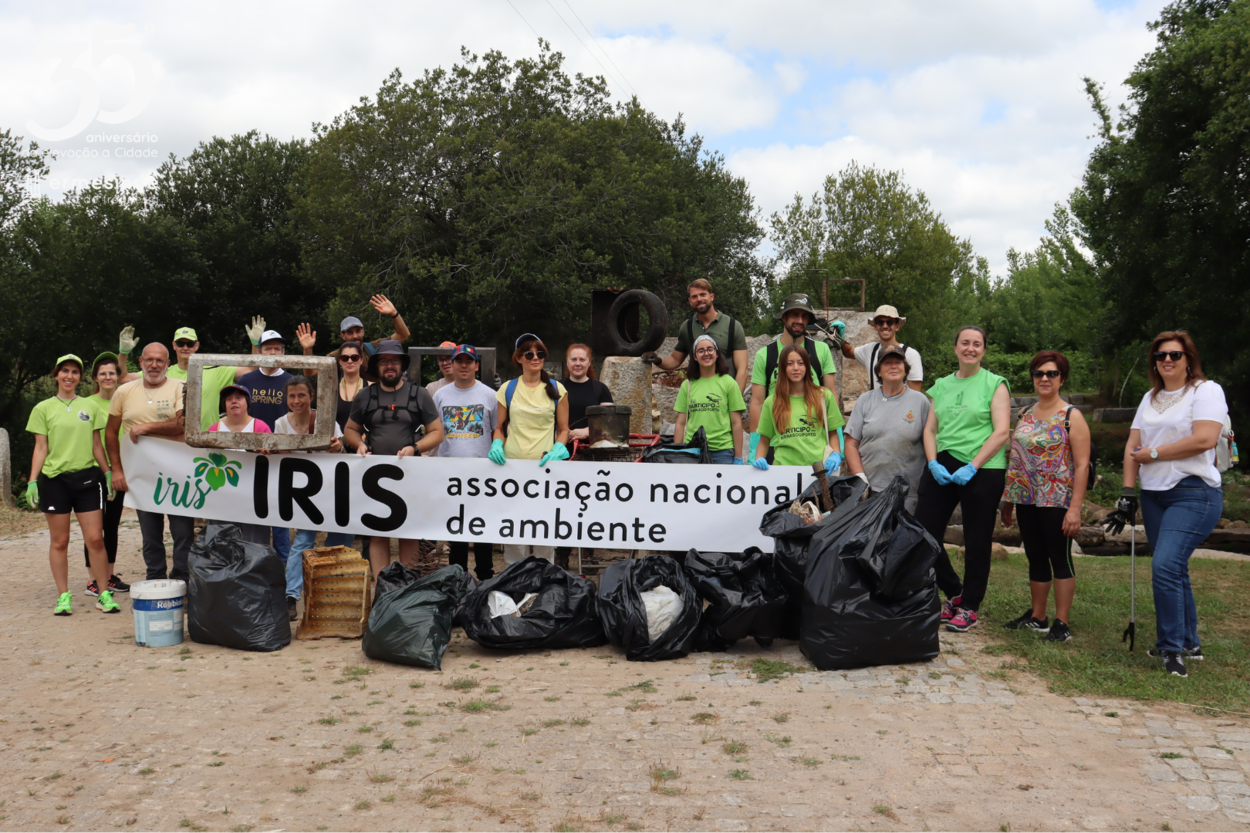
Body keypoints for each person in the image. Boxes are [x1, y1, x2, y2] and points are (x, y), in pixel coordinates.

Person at [1121, 332, 1226, 677]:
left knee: (1165, 566)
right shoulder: (1150, 397)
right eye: (1160, 355)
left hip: (1193, 491)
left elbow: (1205, 439)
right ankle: (1189, 641)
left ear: (1189, 359)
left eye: (1175, 354)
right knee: (1174, 568)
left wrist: (1154, 453)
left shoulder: (1205, 391)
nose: (1167, 360)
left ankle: (1170, 648)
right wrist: (1127, 491)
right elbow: (1132, 445)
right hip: (1153, 494)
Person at [913, 326, 1011, 633]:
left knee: (977, 539)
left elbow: (1001, 431)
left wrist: (974, 465)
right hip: (944, 463)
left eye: (977, 344)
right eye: (965, 343)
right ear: (955, 348)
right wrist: (932, 462)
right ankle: (954, 592)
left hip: (983, 466)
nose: (970, 348)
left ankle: (970, 605)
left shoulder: (995, 384)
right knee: (922, 532)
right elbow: (930, 430)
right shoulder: (940, 386)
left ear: (983, 350)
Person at [999, 351, 1091, 643]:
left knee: (1059, 558)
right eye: (1039, 373)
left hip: (1057, 499)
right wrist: (1009, 498)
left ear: (1061, 378)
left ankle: (1062, 623)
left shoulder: (1071, 416)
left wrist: (1075, 509)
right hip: (1026, 497)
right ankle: (1038, 616)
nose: (1044, 379)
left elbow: (1082, 464)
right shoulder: (1024, 413)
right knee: (1035, 555)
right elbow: (1017, 458)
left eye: (1051, 373)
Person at [26, 354, 120, 616]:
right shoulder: (43, 408)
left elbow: (96, 445)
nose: (69, 376)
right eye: (64, 371)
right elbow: (41, 447)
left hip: (88, 480)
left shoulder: (89, 406)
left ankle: (103, 593)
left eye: (75, 372)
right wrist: (33, 480)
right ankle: (63, 596)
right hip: (55, 481)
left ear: (80, 377)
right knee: (60, 541)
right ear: (56, 375)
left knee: (95, 540)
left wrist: (108, 473)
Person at [344, 340, 443, 577]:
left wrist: (415, 448)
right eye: (384, 361)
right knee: (378, 533)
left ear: (402, 365)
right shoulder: (364, 395)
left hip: (410, 475)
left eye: (394, 361)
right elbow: (350, 429)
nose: (390, 365)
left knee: (408, 531)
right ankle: (383, 589)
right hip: (374, 476)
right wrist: (358, 444)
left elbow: (437, 432)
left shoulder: (419, 394)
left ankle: (406, 591)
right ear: (377, 365)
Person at [107, 343, 191, 582]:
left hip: (177, 473)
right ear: (141, 362)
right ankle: (155, 580)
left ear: (168, 364)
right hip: (142, 475)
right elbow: (111, 433)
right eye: (149, 360)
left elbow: (183, 425)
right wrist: (117, 470)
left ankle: (182, 580)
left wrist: (147, 427)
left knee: (183, 532)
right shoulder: (124, 391)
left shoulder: (181, 387)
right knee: (150, 534)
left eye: (160, 361)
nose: (154, 365)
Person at [274, 375, 353, 621]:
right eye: (292, 396)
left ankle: (335, 593)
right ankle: (291, 596)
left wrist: (336, 447)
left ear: (311, 397)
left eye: (301, 395)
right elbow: (284, 458)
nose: (297, 400)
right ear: (286, 398)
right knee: (303, 540)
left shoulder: (326, 420)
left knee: (339, 540)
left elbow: (340, 448)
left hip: (329, 487)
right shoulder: (280, 424)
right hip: (302, 491)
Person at [489, 334, 570, 565]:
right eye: (529, 354)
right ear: (519, 358)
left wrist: (558, 448)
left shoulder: (557, 388)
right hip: (512, 470)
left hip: (546, 472)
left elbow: (563, 430)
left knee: (545, 531)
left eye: (540, 353)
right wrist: (497, 443)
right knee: (515, 533)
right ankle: (515, 585)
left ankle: (545, 588)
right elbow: (499, 428)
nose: (535, 358)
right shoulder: (508, 388)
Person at [433, 344, 497, 580]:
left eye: (468, 362)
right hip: (451, 474)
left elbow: (497, 430)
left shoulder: (490, 395)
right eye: (459, 361)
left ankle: (485, 578)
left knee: (483, 529)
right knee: (456, 529)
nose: (463, 365)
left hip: (482, 474)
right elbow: (435, 432)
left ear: (476, 366)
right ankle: (457, 578)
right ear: (452, 364)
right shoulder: (440, 395)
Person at [748, 293, 838, 462]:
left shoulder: (821, 350)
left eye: (804, 316)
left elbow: (831, 392)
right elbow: (758, 402)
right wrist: (755, 444)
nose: (800, 320)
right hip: (776, 443)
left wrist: (836, 437)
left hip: (813, 444)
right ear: (784, 317)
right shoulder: (765, 355)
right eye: (795, 315)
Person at [844, 346, 931, 512]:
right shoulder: (865, 400)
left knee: (904, 537)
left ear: (906, 370)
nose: (893, 366)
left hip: (909, 493)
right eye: (887, 363)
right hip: (870, 491)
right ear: (878, 372)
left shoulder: (920, 402)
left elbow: (931, 443)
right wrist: (859, 478)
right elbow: (851, 444)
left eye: (898, 362)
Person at [238, 329, 293, 563]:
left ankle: (284, 571)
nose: (272, 352)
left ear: (283, 352)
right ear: (259, 351)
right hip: (251, 457)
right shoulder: (246, 381)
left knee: (280, 518)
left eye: (277, 348)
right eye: (268, 348)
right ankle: (253, 565)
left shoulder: (290, 380)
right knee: (252, 514)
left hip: (281, 456)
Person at [643, 279, 749, 394]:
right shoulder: (687, 327)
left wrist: (735, 403)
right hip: (698, 398)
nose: (699, 299)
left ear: (712, 297)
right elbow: (675, 359)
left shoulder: (732, 326)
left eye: (703, 294)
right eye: (694, 296)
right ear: (690, 301)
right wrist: (657, 360)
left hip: (725, 395)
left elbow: (742, 370)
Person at [750, 345, 843, 471]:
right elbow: (764, 440)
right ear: (782, 368)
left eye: (800, 363)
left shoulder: (824, 396)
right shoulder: (771, 402)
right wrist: (758, 458)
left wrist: (836, 454)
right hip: (783, 473)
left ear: (807, 367)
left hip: (819, 471)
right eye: (790, 363)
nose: (796, 368)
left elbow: (833, 433)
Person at [82, 352, 130, 596]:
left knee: (112, 525)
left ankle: (109, 576)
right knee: (94, 528)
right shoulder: (87, 404)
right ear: (95, 378)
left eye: (112, 373)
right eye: (103, 373)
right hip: (94, 472)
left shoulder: (125, 400)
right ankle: (93, 579)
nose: (108, 377)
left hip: (119, 470)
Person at [207, 385, 274, 546]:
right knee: (222, 543)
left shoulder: (261, 427)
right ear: (224, 404)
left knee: (254, 543)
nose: (234, 402)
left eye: (239, 398)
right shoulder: (214, 429)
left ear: (248, 403)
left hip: (253, 496)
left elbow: (274, 460)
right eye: (229, 399)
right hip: (222, 496)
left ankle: (253, 572)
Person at [300, 295, 410, 384]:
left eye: (358, 331)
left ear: (363, 331)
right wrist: (308, 349)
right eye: (350, 332)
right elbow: (309, 372)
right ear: (342, 336)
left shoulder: (376, 347)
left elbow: (403, 335)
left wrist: (394, 313)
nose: (355, 336)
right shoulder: (337, 356)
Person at [674, 335, 747, 464]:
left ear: (717, 353)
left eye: (710, 349)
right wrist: (677, 454)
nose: (706, 353)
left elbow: (736, 423)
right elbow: (680, 423)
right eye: (700, 351)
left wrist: (738, 457)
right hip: (692, 451)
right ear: (695, 357)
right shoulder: (688, 385)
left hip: (722, 452)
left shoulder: (729, 383)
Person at [839, 304, 924, 392]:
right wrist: (840, 337)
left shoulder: (911, 355)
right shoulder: (870, 350)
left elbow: (915, 395)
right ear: (875, 326)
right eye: (880, 322)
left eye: (890, 322)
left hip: (901, 405)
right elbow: (848, 352)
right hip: (875, 405)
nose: (885, 326)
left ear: (897, 326)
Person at [562, 343, 613, 444]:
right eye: (573, 359)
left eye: (582, 360)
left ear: (589, 362)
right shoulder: (556, 387)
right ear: (567, 362)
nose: (577, 363)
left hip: (593, 449)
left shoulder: (600, 388)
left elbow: (610, 420)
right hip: (561, 447)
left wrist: (588, 431)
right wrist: (563, 433)